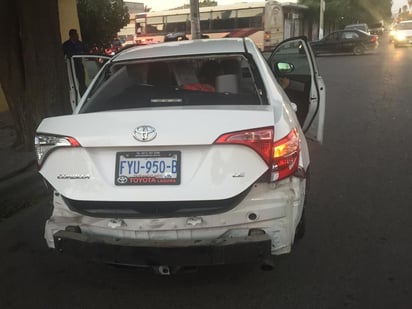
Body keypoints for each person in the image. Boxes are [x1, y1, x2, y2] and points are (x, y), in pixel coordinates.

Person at [63, 29, 88, 95]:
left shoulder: (80, 44)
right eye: (75, 34)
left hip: (79, 65)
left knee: (82, 82)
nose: (77, 36)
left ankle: (83, 96)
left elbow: (86, 52)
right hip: (70, 66)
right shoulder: (66, 45)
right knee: (72, 83)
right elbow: (64, 55)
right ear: (71, 35)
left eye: (77, 34)